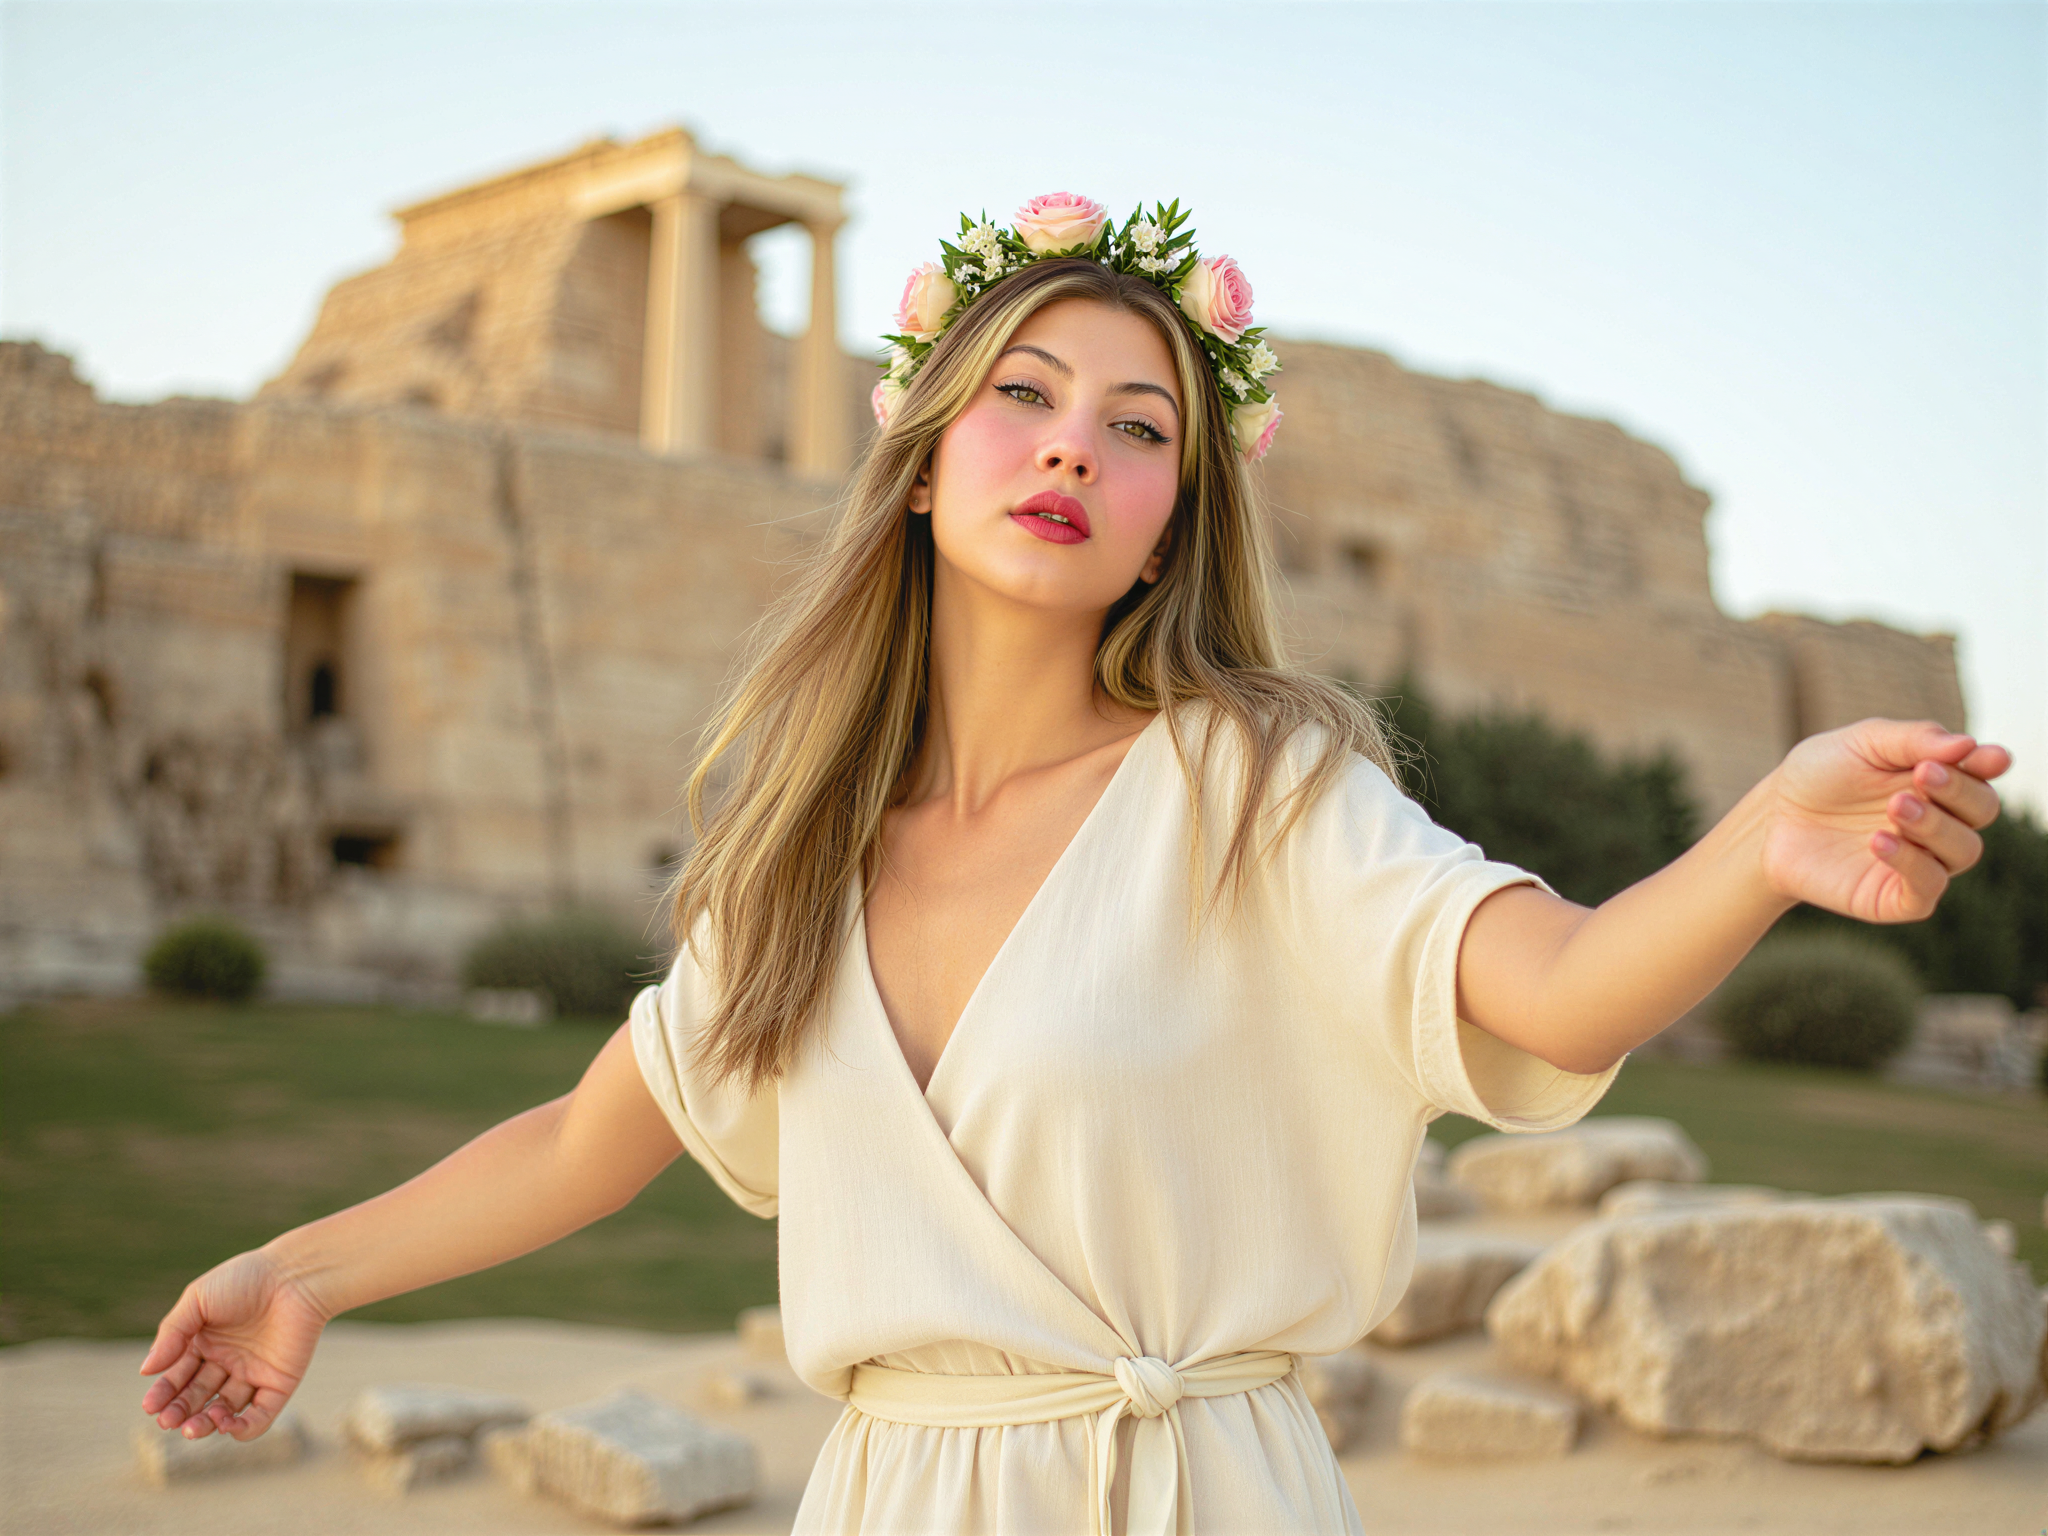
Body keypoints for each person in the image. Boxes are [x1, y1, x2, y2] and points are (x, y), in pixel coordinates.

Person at [139, 192, 2010, 1535]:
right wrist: (301, 1269)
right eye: (1025, 398)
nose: (1073, 452)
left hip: (1197, 1492)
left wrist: (1766, 842)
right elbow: (579, 1137)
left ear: (1167, 522)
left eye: (1140, 432)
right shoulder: (794, 854)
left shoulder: (1257, 785)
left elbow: (1550, 981)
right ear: (928, 450)